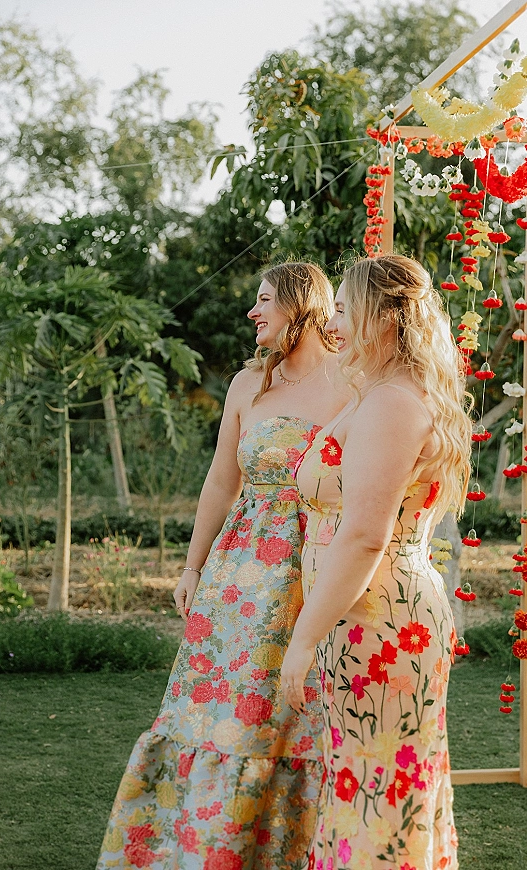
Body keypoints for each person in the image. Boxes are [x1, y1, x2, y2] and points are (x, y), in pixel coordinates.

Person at [96, 262, 348, 870]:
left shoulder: (353, 382)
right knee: (220, 711)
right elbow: (219, 480)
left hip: (314, 569)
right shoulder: (247, 385)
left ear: (300, 306)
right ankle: (205, 847)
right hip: (237, 577)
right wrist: (191, 568)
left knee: (294, 711)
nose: (251, 313)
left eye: (264, 301)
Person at [281, 255, 471, 870]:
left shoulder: (393, 402)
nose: (331, 321)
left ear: (383, 316)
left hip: (379, 624)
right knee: (367, 787)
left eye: (343, 308)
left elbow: (365, 535)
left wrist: (302, 640)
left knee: (378, 792)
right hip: (365, 614)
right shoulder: (379, 391)